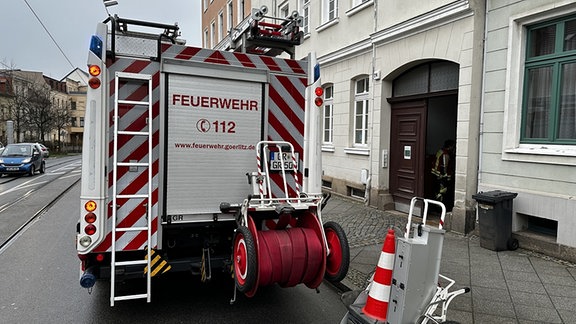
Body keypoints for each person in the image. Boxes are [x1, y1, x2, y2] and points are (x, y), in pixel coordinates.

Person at [431, 139, 455, 204]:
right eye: (453, 147)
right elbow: (445, 165)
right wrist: (446, 176)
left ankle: (437, 203)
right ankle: (441, 205)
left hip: (435, 174)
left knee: (437, 190)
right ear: (450, 146)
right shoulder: (445, 154)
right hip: (441, 176)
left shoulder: (440, 151)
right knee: (442, 191)